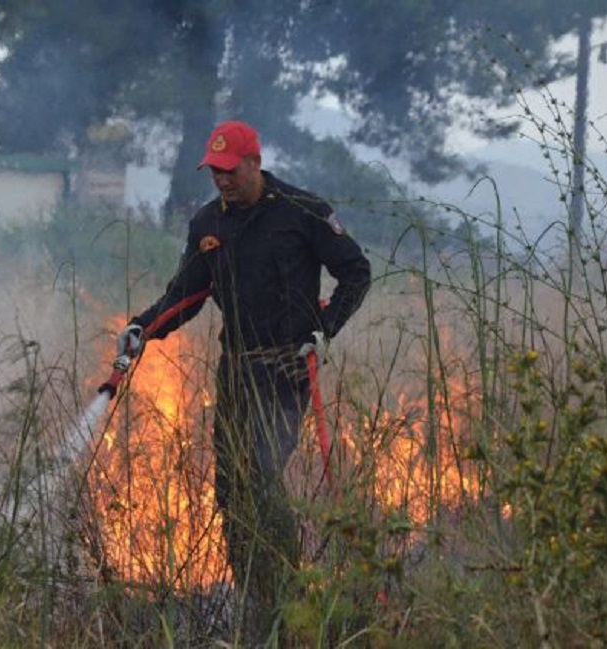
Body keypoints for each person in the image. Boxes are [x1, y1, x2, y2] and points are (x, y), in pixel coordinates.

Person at [115, 120, 371, 640]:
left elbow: (356, 272)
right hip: (235, 370)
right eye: (214, 172)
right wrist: (143, 327)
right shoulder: (208, 223)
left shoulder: (304, 212)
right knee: (231, 488)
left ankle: (289, 594)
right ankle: (255, 593)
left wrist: (324, 331)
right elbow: (184, 294)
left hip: (285, 368)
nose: (222, 181)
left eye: (230, 171)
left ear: (255, 163)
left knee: (260, 474)